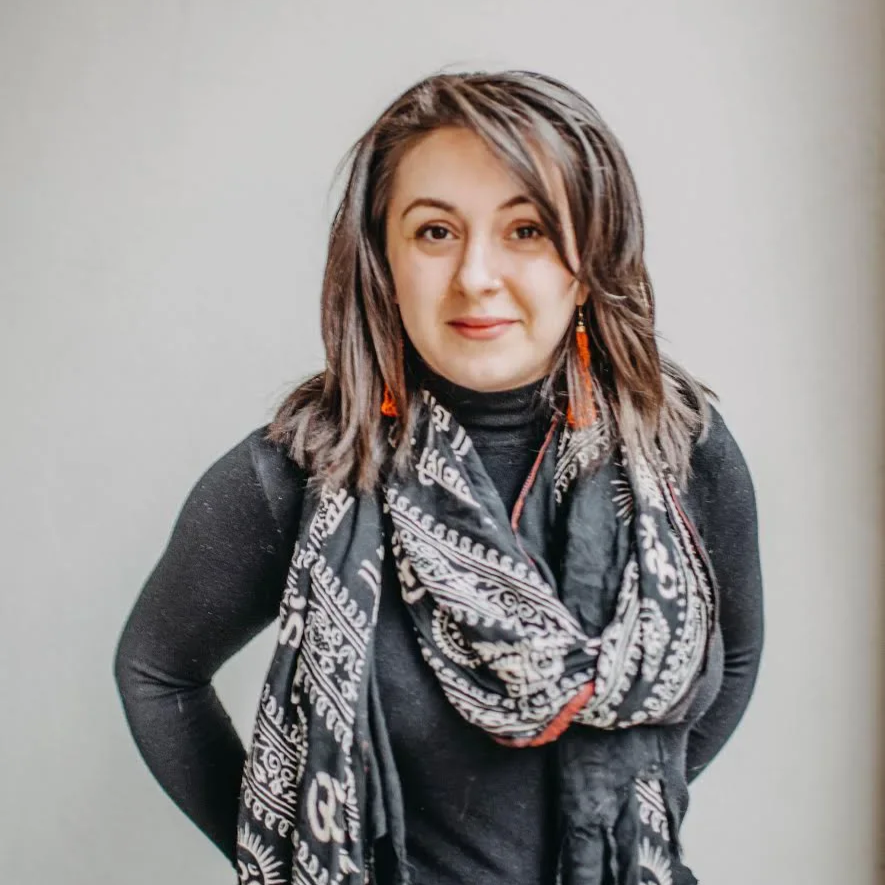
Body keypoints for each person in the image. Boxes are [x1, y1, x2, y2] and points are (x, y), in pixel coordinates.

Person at [114, 70, 763, 885]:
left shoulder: (682, 451)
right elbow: (157, 672)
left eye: (526, 229)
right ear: (382, 256)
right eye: (434, 232)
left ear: (589, 253)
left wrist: (612, 820)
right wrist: (288, 857)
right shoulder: (301, 470)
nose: (476, 276)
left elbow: (732, 659)